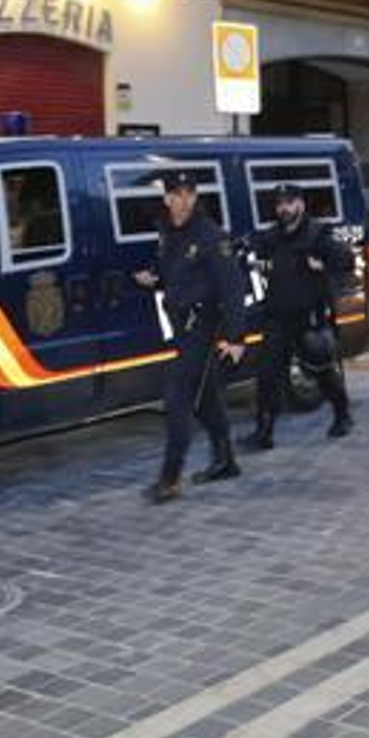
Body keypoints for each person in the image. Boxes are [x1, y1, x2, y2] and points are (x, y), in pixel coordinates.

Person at [135, 169, 248, 504]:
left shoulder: (211, 236)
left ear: (196, 197)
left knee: (178, 399)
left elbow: (232, 288)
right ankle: (226, 459)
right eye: (176, 194)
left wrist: (236, 337)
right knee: (204, 398)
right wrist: (155, 279)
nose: (183, 201)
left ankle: (169, 479)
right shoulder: (169, 231)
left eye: (189, 194)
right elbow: (176, 274)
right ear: (166, 198)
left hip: (202, 327)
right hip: (180, 326)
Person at [243, 184, 355, 450]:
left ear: (301, 205)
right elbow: (251, 249)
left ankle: (343, 414)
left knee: (320, 369)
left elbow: (347, 260)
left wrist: (324, 265)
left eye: (290, 203)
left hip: (309, 316)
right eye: (280, 203)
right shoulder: (272, 236)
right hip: (278, 315)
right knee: (267, 374)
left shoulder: (317, 235)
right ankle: (264, 432)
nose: (284, 208)